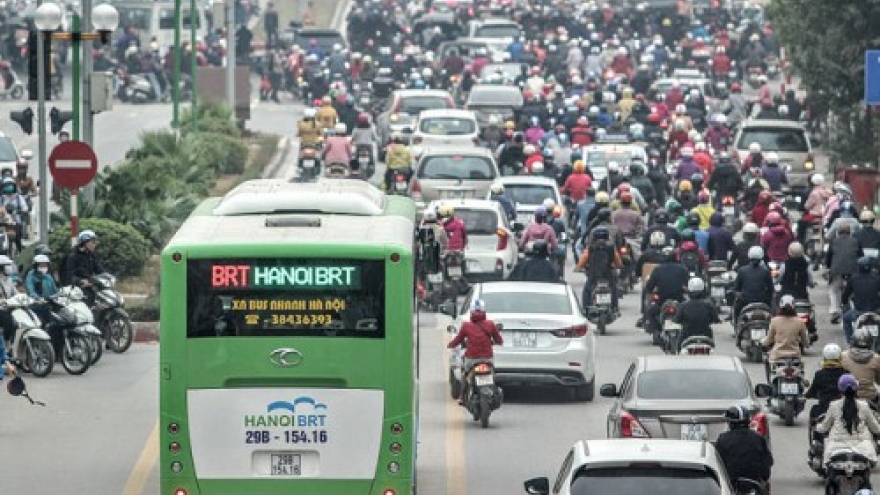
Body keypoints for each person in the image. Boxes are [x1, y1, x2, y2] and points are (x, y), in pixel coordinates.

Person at [815, 374, 880, 466]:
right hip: (863, 448)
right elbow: (875, 428)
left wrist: (817, 427)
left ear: (840, 390)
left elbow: (824, 427)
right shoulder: (864, 405)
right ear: (856, 389)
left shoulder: (834, 405)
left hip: (836, 446)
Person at [447, 298, 503, 405]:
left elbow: (458, 340)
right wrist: (498, 342)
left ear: (471, 311)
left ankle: (463, 397)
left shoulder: (466, 326)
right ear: (484, 311)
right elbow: (499, 340)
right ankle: (494, 392)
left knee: (465, 374)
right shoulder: (490, 324)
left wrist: (450, 344)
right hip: (487, 358)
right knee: (492, 373)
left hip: (471, 359)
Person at [714, 406, 773, 486]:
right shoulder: (758, 438)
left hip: (731, 485)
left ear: (730, 423)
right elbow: (768, 462)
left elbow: (718, 464)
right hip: (755, 484)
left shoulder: (723, 439)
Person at [577, 226, 623, 314]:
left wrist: (579, 267)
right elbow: (618, 262)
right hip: (608, 274)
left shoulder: (590, 248)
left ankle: (585, 308)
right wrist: (618, 266)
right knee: (614, 289)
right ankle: (615, 308)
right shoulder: (611, 248)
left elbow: (583, 260)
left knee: (587, 290)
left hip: (594, 275)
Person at [763, 295, 810, 381]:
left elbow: (768, 340)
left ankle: (769, 382)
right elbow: (806, 342)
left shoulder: (774, 321)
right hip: (795, 356)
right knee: (801, 373)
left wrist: (762, 342)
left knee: (767, 360)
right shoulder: (799, 322)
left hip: (777, 356)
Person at [827, 223, 864, 324]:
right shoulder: (856, 241)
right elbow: (861, 256)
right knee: (853, 291)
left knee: (833, 291)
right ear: (850, 232)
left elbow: (829, 257)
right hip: (853, 271)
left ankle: (835, 311)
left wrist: (828, 267)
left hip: (837, 272)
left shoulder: (833, 242)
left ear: (838, 232)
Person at [733, 246, 774, 333]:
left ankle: (737, 329)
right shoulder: (765, 271)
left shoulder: (742, 270)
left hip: (745, 302)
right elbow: (771, 289)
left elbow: (736, 289)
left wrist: (740, 295)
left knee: (736, 310)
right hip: (762, 302)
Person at [674, 278, 720, 350]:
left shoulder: (683, 305)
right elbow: (716, 320)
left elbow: (676, 320)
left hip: (686, 336)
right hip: (706, 335)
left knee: (678, 350)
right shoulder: (709, 305)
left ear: (689, 291)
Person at [842, 257, 880, 343]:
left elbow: (845, 294)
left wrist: (844, 303)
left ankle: (851, 341)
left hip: (859, 311)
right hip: (875, 311)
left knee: (846, 318)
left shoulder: (853, 279)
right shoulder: (877, 279)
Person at [806, 344, 849, 419]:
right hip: (843, 410)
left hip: (824, 409)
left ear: (824, 357)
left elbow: (812, 391)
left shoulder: (819, 374)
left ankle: (813, 430)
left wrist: (807, 395)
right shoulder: (846, 374)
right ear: (840, 357)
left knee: (814, 411)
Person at [64, 230, 106, 305]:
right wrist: (81, 281)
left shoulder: (91, 256)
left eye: (95, 242)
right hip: (78, 290)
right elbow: (69, 276)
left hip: (91, 286)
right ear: (84, 243)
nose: (95, 245)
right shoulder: (73, 256)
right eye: (92, 242)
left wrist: (106, 277)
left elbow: (99, 270)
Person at [841, 329, 880, 402]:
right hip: (870, 398)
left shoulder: (843, 356)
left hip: (848, 398)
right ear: (870, 342)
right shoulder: (876, 358)